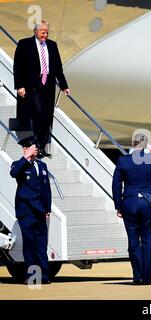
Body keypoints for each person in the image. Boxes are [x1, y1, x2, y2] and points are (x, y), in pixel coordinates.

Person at [13, 20, 70, 159]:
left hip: (48, 87)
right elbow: (18, 66)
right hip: (32, 87)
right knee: (37, 113)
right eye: (43, 32)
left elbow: (57, 68)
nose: (45, 35)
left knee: (46, 117)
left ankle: (41, 147)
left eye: (47, 33)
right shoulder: (24, 44)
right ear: (36, 31)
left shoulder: (52, 45)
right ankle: (35, 144)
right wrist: (19, 86)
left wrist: (64, 85)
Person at [112, 134, 151, 285]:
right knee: (148, 241)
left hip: (130, 204)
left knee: (133, 242)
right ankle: (147, 278)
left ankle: (137, 277)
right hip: (148, 204)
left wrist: (118, 205)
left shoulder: (123, 161)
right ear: (146, 145)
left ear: (133, 144)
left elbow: (116, 185)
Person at [10, 136, 52, 284]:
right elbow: (14, 173)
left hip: (40, 211)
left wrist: (48, 208)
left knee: (41, 245)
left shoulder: (42, 166)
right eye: (29, 147)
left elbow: (46, 189)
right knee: (30, 245)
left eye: (33, 146)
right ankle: (33, 277)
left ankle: (44, 277)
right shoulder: (19, 164)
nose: (33, 149)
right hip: (26, 211)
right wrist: (26, 157)